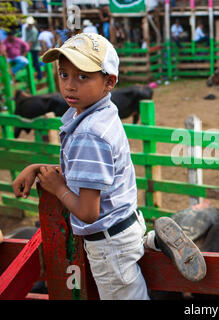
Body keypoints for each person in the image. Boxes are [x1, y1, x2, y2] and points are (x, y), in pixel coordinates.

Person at [11, 33, 206, 300]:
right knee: (132, 252)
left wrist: (57, 189)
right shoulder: (103, 113)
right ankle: (153, 242)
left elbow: (88, 212)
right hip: (127, 222)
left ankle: (151, 244)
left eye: (83, 77)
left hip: (108, 247)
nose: (69, 85)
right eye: (64, 74)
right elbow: (84, 169)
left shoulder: (88, 133)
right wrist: (37, 167)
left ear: (109, 82)